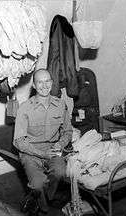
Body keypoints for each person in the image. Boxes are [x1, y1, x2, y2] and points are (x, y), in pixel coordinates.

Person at [13, 68, 73, 215]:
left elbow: (67, 132)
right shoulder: (25, 108)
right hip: (30, 152)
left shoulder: (60, 105)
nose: (44, 85)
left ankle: (42, 197)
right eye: (40, 82)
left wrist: (60, 144)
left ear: (52, 83)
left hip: (53, 149)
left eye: (47, 81)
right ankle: (43, 206)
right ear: (34, 85)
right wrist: (42, 153)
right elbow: (19, 141)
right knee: (38, 183)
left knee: (61, 172)